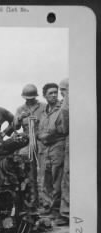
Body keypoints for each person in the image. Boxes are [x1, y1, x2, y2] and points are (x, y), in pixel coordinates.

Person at [37, 83, 68, 221]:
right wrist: (40, 136)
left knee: (58, 179)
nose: (54, 95)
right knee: (46, 179)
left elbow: (62, 130)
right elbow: (39, 129)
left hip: (57, 146)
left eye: (56, 92)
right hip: (45, 149)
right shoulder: (44, 112)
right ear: (45, 96)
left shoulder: (61, 109)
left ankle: (57, 210)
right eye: (51, 93)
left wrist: (47, 135)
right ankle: (49, 207)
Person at [14, 84, 46, 209]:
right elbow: (15, 126)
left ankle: (47, 204)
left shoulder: (43, 107)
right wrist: (19, 118)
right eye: (27, 98)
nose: (29, 100)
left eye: (31, 97)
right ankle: (33, 202)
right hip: (27, 142)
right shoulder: (20, 109)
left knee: (44, 173)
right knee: (28, 173)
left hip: (41, 141)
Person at [59, 78, 69, 224]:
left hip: (72, 138)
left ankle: (67, 212)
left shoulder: (66, 103)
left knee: (68, 175)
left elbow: (65, 127)